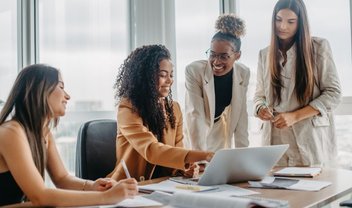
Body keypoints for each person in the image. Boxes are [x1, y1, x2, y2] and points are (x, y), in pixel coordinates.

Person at [0, 64, 138, 206]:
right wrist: (107, 197)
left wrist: (92, 186)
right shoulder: (11, 132)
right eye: (61, 87)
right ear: (40, 90)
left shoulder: (43, 133)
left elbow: (62, 178)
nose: (67, 96)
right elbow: (40, 196)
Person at [254, 0, 341, 167]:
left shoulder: (319, 47)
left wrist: (294, 116)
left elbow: (333, 93)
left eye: (290, 21)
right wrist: (260, 108)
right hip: (275, 142)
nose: (283, 26)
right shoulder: (264, 54)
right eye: (278, 19)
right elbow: (260, 95)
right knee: (277, 192)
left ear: (301, 23)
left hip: (309, 140)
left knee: (313, 191)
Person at [108, 45, 214, 181]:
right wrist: (205, 155)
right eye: (163, 75)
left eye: (171, 75)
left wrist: (185, 168)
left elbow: (177, 152)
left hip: (162, 185)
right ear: (145, 77)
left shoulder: (174, 109)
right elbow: (152, 150)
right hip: (129, 186)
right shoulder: (128, 108)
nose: (169, 80)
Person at [185, 14, 250, 152]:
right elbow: (195, 115)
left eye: (224, 56)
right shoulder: (194, 71)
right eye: (212, 54)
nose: (216, 61)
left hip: (220, 131)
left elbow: (241, 117)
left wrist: (244, 157)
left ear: (237, 55)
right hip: (195, 133)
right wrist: (199, 157)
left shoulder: (243, 73)